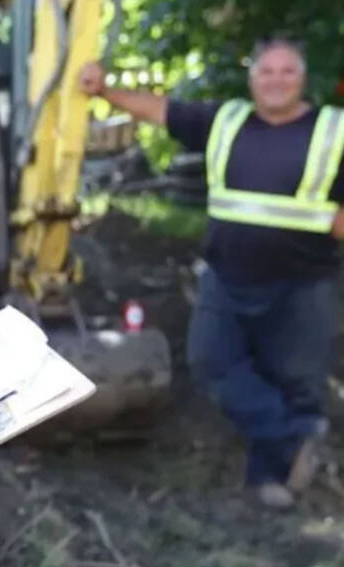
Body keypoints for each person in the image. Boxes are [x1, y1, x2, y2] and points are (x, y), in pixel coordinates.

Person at [79, 38, 344, 508]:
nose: (276, 80)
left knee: (295, 379)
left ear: (302, 79)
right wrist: (104, 91)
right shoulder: (226, 121)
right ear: (252, 79)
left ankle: (273, 483)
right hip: (228, 279)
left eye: (287, 72)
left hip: (304, 285)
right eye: (267, 71)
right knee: (210, 362)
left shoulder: (332, 131)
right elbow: (162, 110)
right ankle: (298, 441)